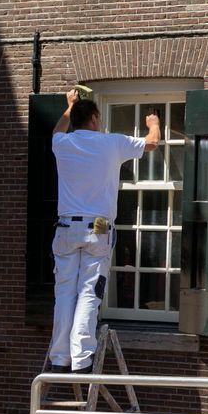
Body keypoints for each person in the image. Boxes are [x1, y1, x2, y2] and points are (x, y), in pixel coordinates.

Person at [48, 86, 160, 372]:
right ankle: (82, 358)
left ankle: (60, 357)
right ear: (96, 117)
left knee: (64, 293)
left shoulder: (63, 144)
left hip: (66, 227)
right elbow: (151, 144)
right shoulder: (112, 143)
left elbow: (57, 130)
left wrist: (69, 106)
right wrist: (154, 122)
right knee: (89, 292)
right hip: (97, 227)